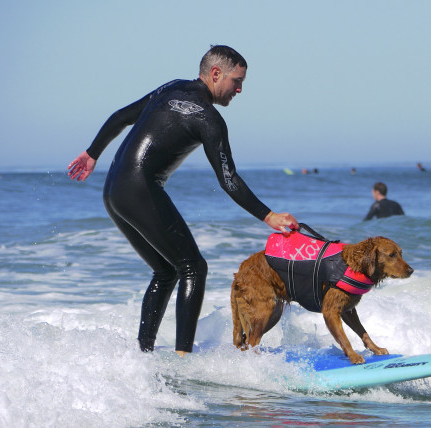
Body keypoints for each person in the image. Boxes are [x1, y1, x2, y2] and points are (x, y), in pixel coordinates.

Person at [67, 45, 298, 356]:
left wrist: (93, 153)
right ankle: (182, 358)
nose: (240, 89)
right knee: (194, 267)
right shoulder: (209, 118)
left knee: (166, 270)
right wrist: (268, 215)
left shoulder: (171, 88)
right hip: (140, 190)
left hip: (114, 191)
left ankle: (143, 354)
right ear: (216, 74)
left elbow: (122, 116)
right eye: (237, 81)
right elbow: (229, 180)